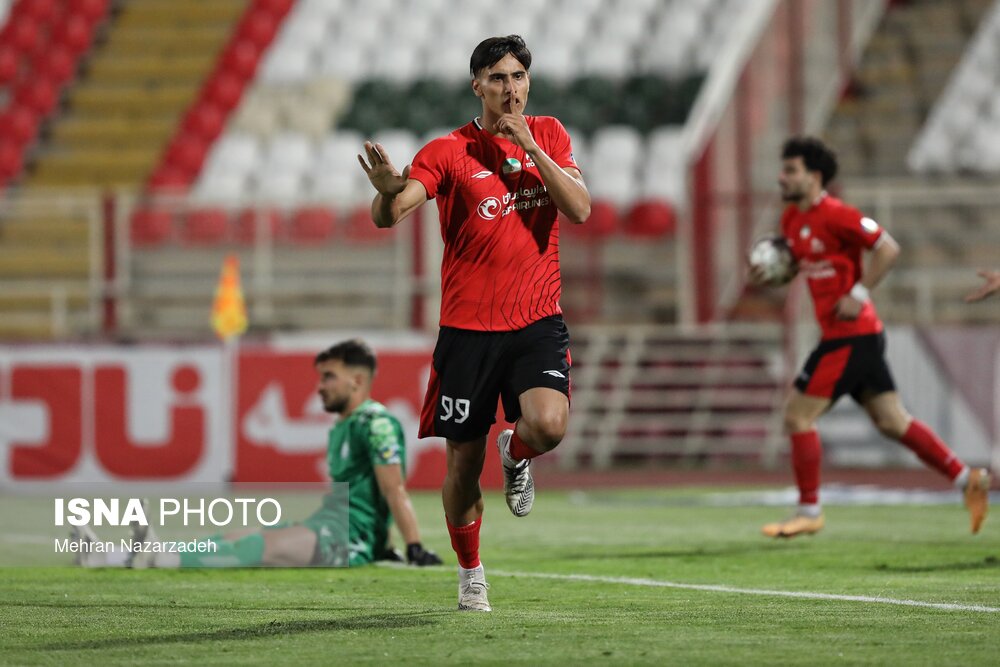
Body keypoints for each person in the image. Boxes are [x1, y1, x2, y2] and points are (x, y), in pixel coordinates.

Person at [357, 35, 590, 611]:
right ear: (476, 86)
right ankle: (470, 575)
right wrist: (386, 194)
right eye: (497, 79)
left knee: (550, 426)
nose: (509, 88)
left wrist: (530, 146)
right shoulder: (447, 149)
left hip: (537, 319)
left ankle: (518, 453)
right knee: (463, 462)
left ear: (528, 82)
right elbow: (393, 212)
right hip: (467, 329)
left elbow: (581, 208)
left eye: (517, 77)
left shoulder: (552, 134)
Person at [749, 136, 990, 538]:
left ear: (814, 175)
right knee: (893, 422)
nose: (782, 177)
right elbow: (798, 266)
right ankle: (967, 479)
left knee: (797, 416)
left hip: (850, 336)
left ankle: (809, 510)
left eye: (791, 170)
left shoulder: (839, 215)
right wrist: (766, 273)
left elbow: (887, 248)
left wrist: (857, 293)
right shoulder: (792, 220)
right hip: (856, 337)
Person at [72, 339, 442, 569]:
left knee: (261, 547)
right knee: (232, 536)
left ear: (357, 381)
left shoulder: (375, 424)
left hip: (347, 539)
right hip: (327, 525)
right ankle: (109, 554)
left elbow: (394, 490)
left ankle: (159, 557)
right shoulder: (342, 425)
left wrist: (413, 546)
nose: (320, 387)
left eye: (329, 376)